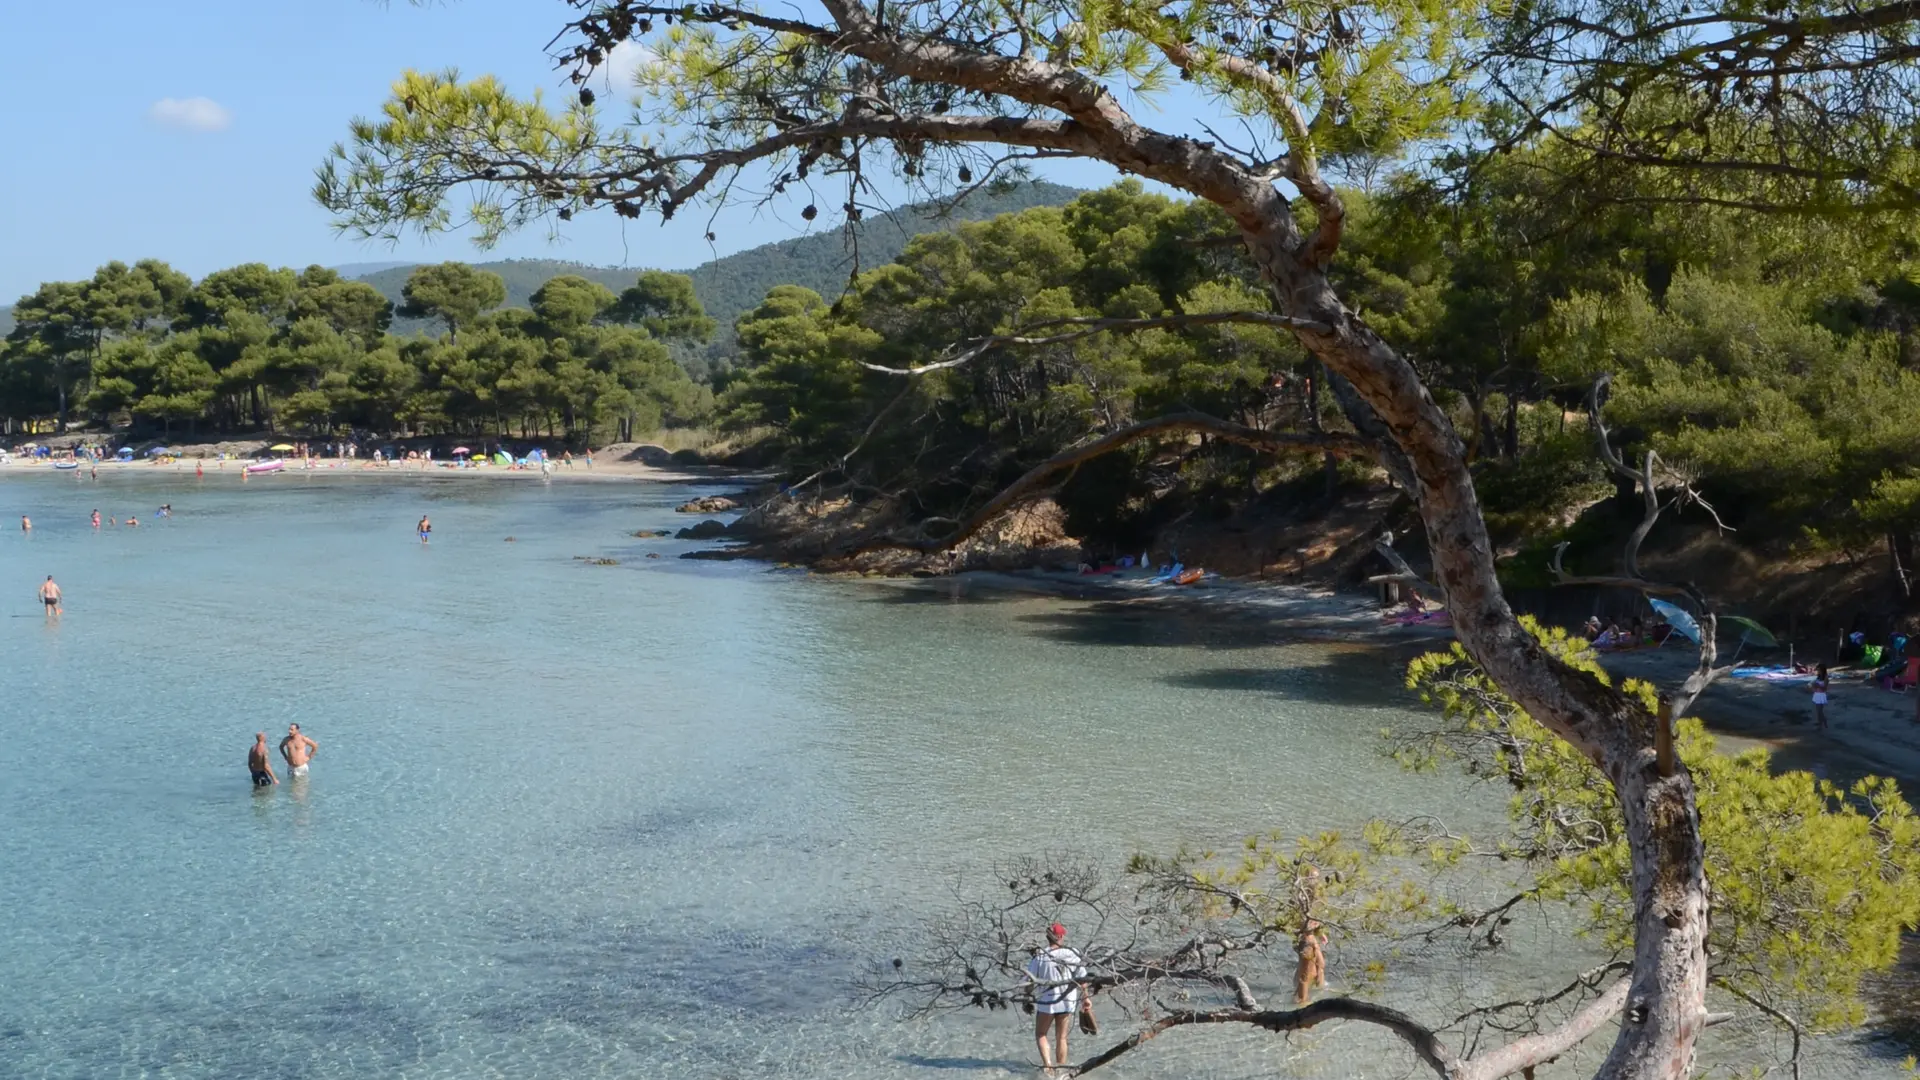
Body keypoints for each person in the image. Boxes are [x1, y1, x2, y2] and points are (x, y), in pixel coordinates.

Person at [1024, 923, 1088, 1073]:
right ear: (1060, 937)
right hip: (1067, 1002)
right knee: (1062, 1038)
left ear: (1048, 938)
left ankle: (1048, 1067)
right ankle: (1060, 1069)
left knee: (1041, 1034)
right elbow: (1083, 978)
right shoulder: (1072, 953)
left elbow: (1028, 981)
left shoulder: (1040, 956)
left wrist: (1027, 996)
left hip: (1047, 1003)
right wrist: (1086, 998)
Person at [1294, 919, 1329, 1005]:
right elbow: (1297, 919)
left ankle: (1319, 994)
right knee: (1306, 973)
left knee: (1320, 967)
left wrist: (1319, 931)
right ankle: (1301, 1002)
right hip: (1306, 937)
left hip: (1310, 934)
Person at [1812, 664, 1830, 730]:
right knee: (1818, 710)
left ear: (1822, 670)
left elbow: (1824, 688)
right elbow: (1815, 685)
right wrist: (1813, 686)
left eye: (1819, 670)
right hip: (1816, 694)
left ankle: (1823, 722)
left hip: (1821, 695)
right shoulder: (1818, 676)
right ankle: (1820, 722)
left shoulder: (1826, 677)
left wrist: (1818, 685)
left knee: (1820, 710)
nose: (1818, 671)